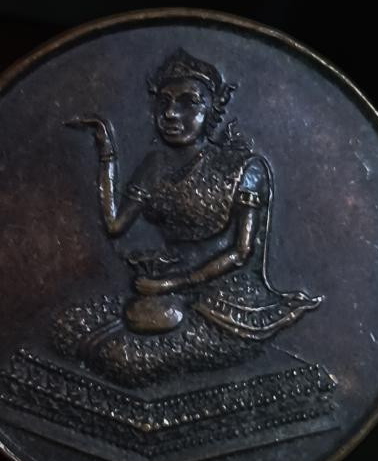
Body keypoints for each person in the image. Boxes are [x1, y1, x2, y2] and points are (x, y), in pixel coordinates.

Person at [54, 49, 321, 386]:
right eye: (164, 103)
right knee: (68, 329)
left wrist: (172, 283)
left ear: (213, 109)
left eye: (188, 103)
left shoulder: (243, 169)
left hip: (227, 307)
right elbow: (114, 225)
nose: (171, 114)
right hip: (162, 295)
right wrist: (106, 149)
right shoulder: (154, 166)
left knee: (124, 359)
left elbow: (242, 252)